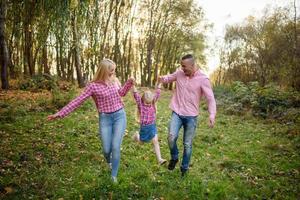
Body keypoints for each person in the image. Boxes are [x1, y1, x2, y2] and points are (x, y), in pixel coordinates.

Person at [47, 59, 134, 183]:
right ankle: (109, 161)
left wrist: (129, 83)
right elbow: (78, 100)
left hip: (120, 116)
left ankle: (114, 175)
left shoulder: (115, 81)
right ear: (104, 71)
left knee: (115, 146)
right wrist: (60, 113)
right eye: (111, 70)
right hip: (105, 119)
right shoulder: (92, 86)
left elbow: (122, 93)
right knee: (106, 149)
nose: (113, 73)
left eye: (114, 70)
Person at [158, 54, 216, 177]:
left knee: (187, 144)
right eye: (181, 66)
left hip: (191, 116)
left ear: (193, 65)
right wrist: (161, 78)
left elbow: (210, 98)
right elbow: (168, 78)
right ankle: (174, 157)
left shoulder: (203, 79)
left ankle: (184, 168)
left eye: (184, 66)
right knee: (171, 137)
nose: (182, 68)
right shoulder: (179, 73)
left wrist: (212, 114)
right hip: (177, 112)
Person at [131, 83, 167, 165]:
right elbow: (136, 95)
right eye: (146, 103)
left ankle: (160, 159)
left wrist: (160, 84)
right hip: (144, 128)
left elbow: (157, 94)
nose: (148, 104)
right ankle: (137, 135)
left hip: (152, 126)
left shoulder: (153, 102)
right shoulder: (141, 105)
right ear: (143, 100)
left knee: (155, 141)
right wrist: (133, 86)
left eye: (149, 103)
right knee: (141, 142)